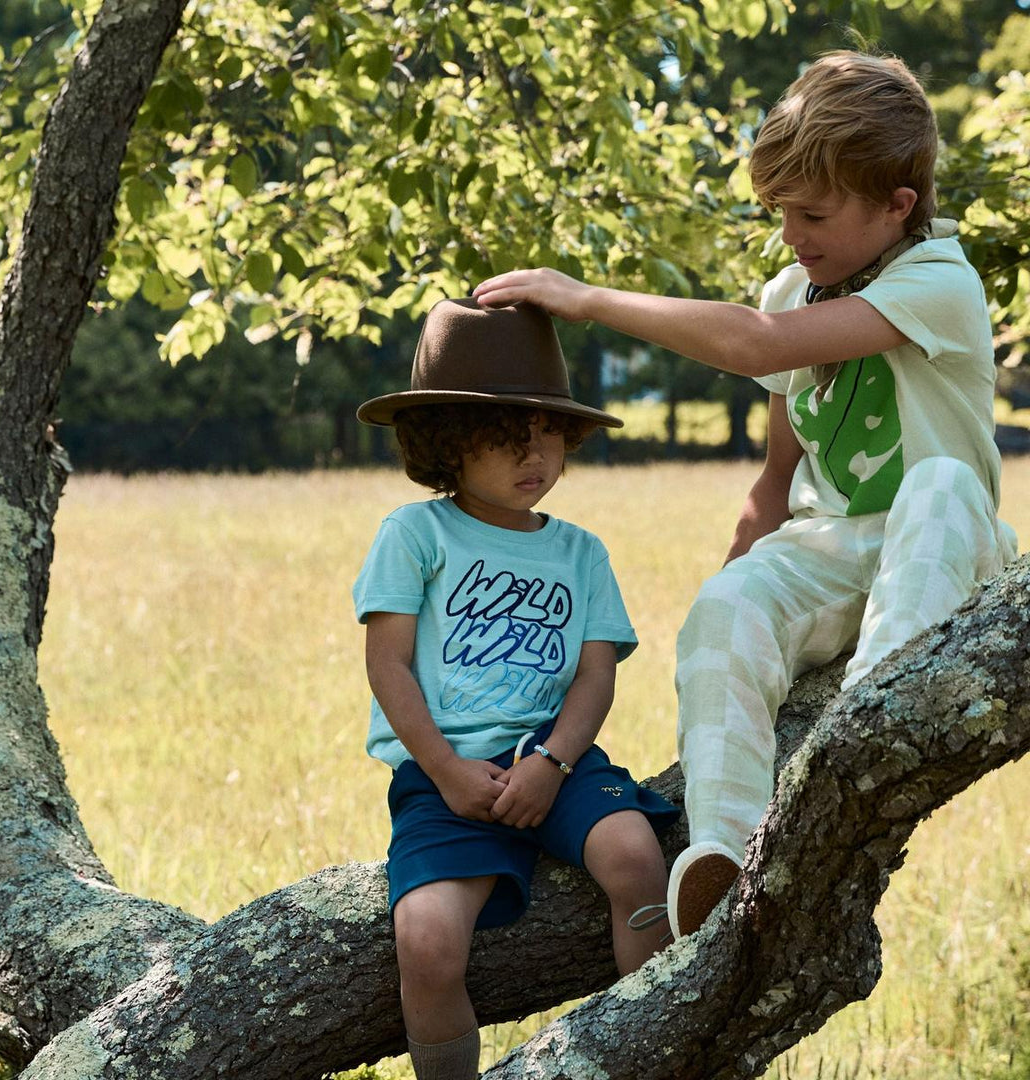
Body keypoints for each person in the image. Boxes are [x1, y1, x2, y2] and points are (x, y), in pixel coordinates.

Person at [472, 50, 1018, 941]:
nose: (792, 234)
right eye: (779, 213)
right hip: (835, 542)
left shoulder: (940, 281)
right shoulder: (790, 288)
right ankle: (722, 856)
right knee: (724, 608)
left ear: (896, 207)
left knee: (945, 482)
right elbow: (777, 472)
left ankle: (866, 729)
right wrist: (739, 577)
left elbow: (759, 345)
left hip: (943, 541)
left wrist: (588, 300)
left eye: (813, 213)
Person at [353, 297, 679, 1080]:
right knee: (427, 941)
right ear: (448, 443)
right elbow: (388, 664)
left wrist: (555, 765)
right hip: (443, 774)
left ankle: (660, 1050)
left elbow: (596, 674)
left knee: (637, 861)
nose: (535, 455)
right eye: (508, 437)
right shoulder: (415, 534)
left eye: (551, 433)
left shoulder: (580, 551)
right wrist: (446, 770)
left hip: (560, 761)